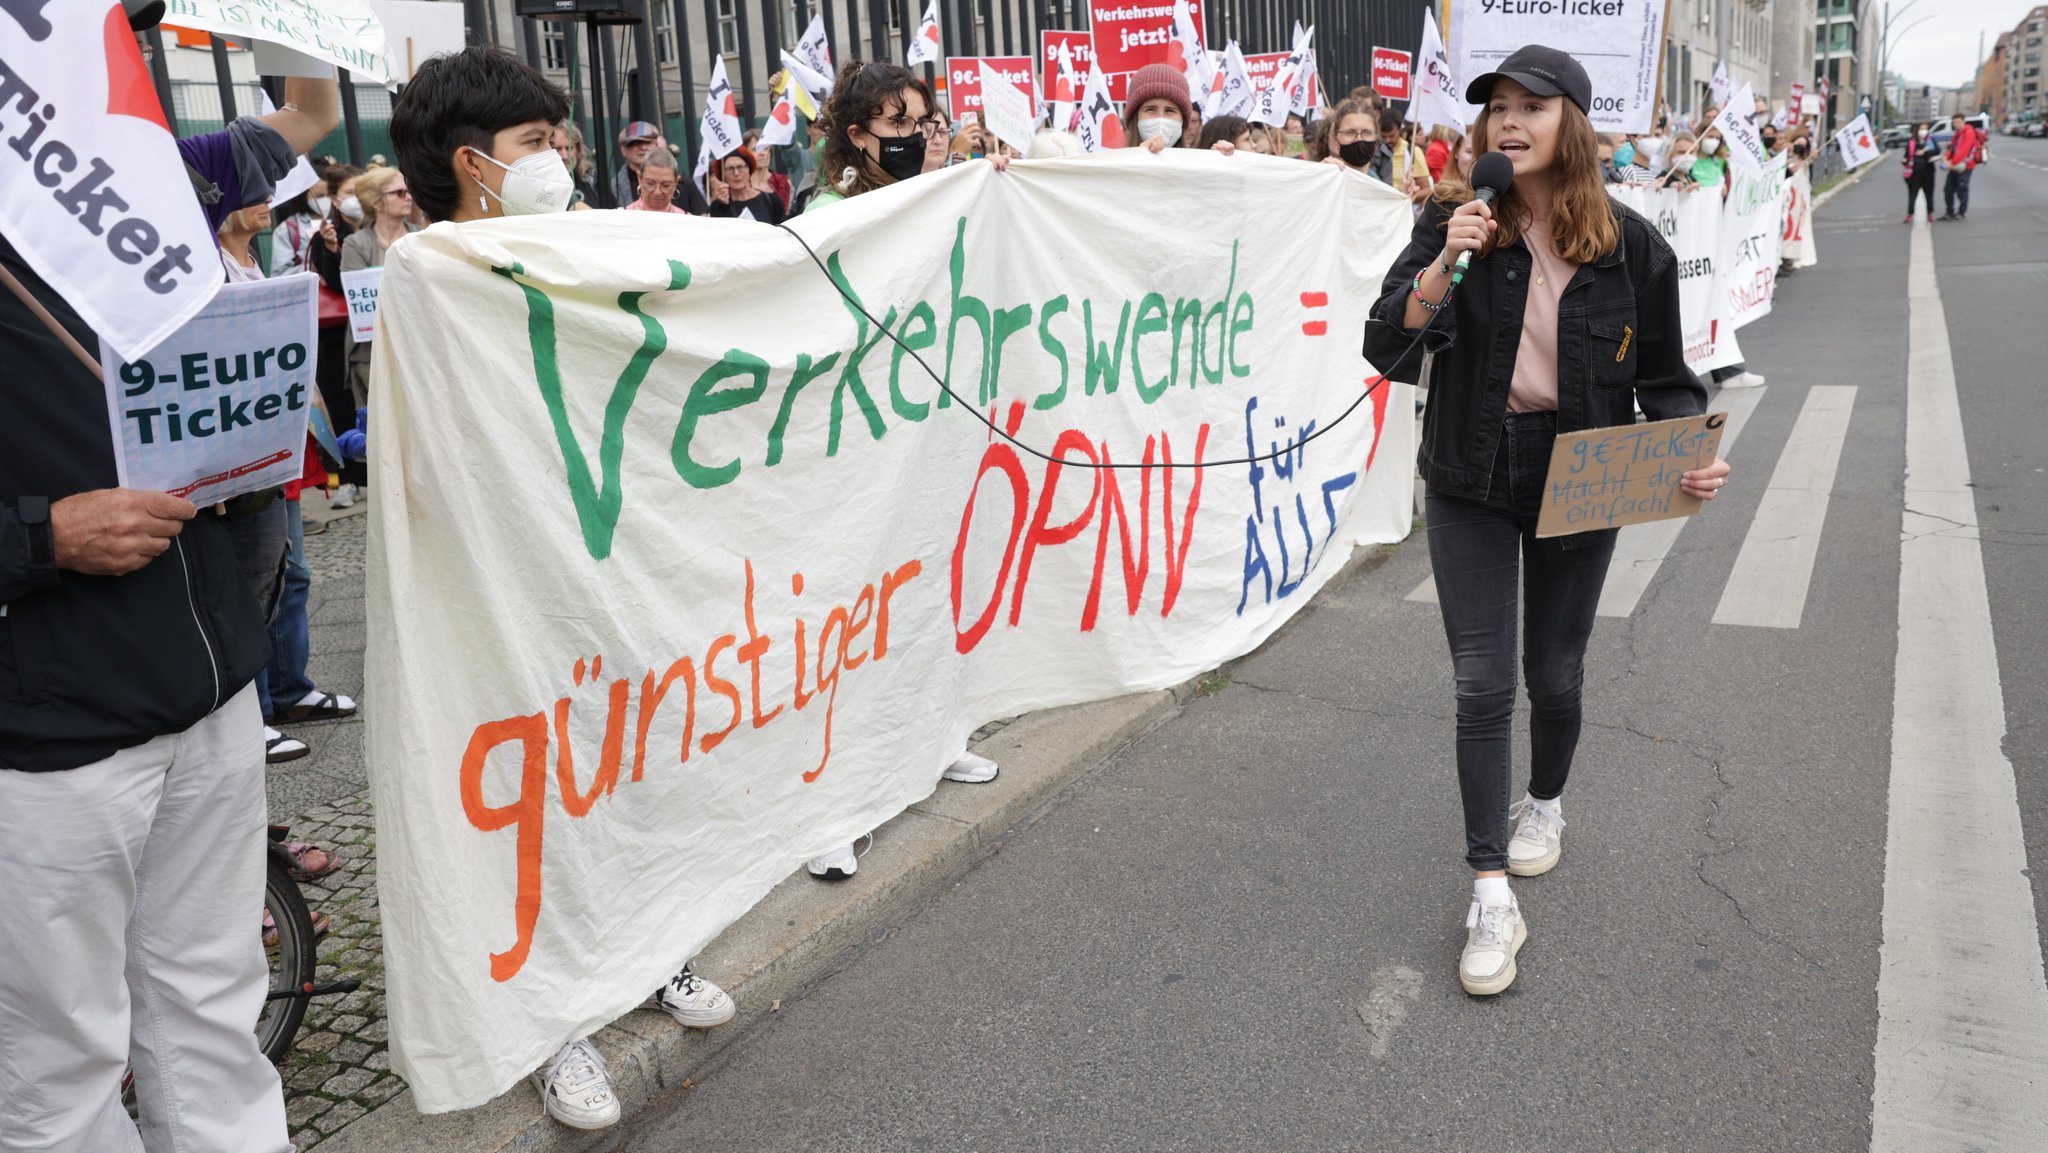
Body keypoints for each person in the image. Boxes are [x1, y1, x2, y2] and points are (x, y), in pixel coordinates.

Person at [0, 6, 339, 1140]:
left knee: (212, 1013)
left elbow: (309, 111)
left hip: (207, 691)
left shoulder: (137, 177)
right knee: (60, 1066)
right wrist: (43, 535)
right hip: (44, 740)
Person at [1361, 44, 1728, 998]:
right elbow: (1386, 343)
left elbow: (1668, 382)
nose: (1510, 122)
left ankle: (1547, 803)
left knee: (1553, 673)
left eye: (1533, 105)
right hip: (1469, 472)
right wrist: (1449, 256)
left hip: (1583, 476)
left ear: (1574, 122)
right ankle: (1490, 890)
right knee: (1481, 685)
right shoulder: (1452, 220)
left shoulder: (1633, 245)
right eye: (1497, 109)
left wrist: (1689, 454)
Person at [803, 59, 1004, 881]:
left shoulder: (929, 192)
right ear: (857, 136)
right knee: (849, 624)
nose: (918, 136)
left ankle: (933, 742)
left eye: (924, 121)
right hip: (848, 450)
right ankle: (828, 811)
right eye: (898, 123)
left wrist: (986, 182)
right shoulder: (823, 215)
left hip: (921, 436)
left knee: (924, 597)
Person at [1123, 62, 1193, 153]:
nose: (1161, 119)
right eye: (1150, 109)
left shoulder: (1199, 165)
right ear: (1135, 116)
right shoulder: (1111, 164)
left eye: (1169, 110)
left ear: (1182, 119)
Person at [709, 147, 787, 223]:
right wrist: (723, 206)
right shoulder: (718, 206)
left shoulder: (770, 200)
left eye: (740, 167)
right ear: (724, 174)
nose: (736, 173)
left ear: (749, 169)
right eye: (730, 169)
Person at [1321, 98, 1391, 182]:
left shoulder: (1381, 189)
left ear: (1376, 138)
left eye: (1367, 132)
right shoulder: (1323, 179)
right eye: (1350, 132)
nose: (1359, 139)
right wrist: (1318, 176)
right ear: (1335, 138)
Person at [269, 178, 327, 277]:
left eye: (330, 195)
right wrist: (312, 267)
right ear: (304, 195)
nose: (326, 200)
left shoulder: (343, 222)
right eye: (319, 196)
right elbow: (279, 275)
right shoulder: (288, 229)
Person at [623, 147, 695, 214]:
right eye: (650, 184)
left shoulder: (686, 221)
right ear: (640, 178)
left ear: (675, 182)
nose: (657, 192)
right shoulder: (621, 217)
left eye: (665, 185)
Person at [1941, 111, 1984, 220]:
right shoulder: (1957, 134)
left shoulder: (1969, 132)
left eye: (1958, 122)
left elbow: (1964, 150)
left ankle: (1961, 212)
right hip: (1954, 165)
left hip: (1966, 166)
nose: (1956, 124)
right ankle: (1949, 211)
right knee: (1948, 189)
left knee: (1962, 189)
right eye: (1954, 122)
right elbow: (1951, 148)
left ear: (1963, 121)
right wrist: (1946, 157)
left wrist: (1951, 162)